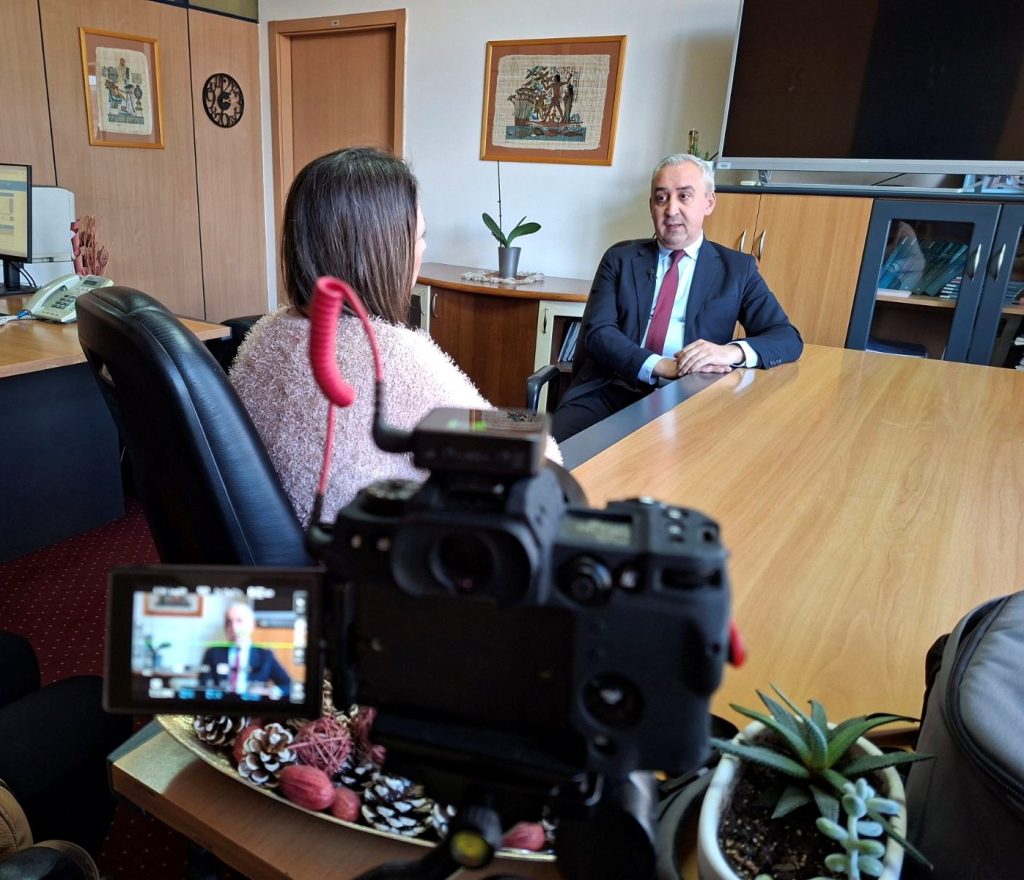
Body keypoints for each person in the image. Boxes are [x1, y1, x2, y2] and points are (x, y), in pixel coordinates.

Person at [230, 146, 561, 525]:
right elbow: (543, 460)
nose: (424, 249)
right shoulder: (395, 356)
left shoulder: (264, 334)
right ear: (385, 253)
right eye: (420, 237)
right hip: (366, 550)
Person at [551, 153, 803, 442]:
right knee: (554, 456)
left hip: (691, 397)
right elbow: (598, 333)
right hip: (611, 388)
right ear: (651, 206)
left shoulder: (737, 269)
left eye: (684, 196)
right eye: (661, 198)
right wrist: (660, 365)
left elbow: (786, 337)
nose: (671, 210)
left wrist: (730, 352)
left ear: (708, 202)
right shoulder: (620, 259)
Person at [200, 602, 291, 697]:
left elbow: (289, 685)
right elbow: (203, 686)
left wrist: (270, 692)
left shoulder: (265, 655)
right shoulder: (212, 653)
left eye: (239, 621)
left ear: (252, 625)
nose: (234, 627)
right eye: (228, 622)